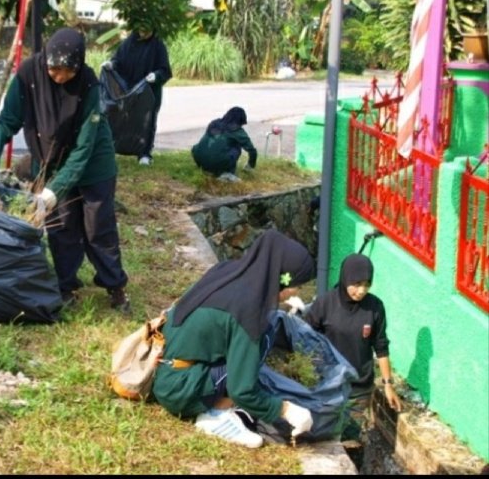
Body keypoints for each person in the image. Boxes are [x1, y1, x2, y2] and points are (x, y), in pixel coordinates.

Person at [0, 28, 130, 313]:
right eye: (54, 70)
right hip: (52, 160)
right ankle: (65, 286)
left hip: (93, 163)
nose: (59, 77)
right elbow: (6, 122)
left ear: (78, 66)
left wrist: (54, 189)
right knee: (62, 225)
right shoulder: (29, 75)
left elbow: (83, 149)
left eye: (67, 71)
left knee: (97, 227)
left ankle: (114, 285)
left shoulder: (89, 84)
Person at [152, 229, 317, 448]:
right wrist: (286, 410)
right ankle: (215, 414)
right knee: (262, 339)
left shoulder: (230, 270)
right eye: (297, 285)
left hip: (165, 364)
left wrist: (279, 300)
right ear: (281, 277)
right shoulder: (249, 312)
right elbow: (243, 391)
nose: (297, 292)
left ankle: (216, 398)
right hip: (180, 388)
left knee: (266, 327)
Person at [304, 253, 402, 443]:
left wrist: (388, 385)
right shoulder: (325, 304)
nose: (361, 290)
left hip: (359, 388)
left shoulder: (375, 307)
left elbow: (381, 346)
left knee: (351, 440)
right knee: (322, 438)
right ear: (345, 278)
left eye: (367, 284)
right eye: (356, 284)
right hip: (328, 385)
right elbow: (306, 340)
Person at [104, 28, 172, 166]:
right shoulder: (129, 43)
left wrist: (156, 75)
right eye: (141, 30)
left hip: (149, 91)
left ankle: (144, 153)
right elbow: (118, 61)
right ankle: (114, 147)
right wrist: (111, 65)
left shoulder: (158, 45)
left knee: (147, 121)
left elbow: (165, 69)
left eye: (146, 30)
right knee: (122, 119)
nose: (143, 32)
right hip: (130, 89)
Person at [191, 106, 257, 183]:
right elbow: (252, 150)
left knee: (200, 145)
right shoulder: (237, 131)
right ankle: (226, 173)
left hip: (199, 158)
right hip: (217, 162)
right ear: (241, 120)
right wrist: (250, 165)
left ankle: (206, 167)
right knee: (236, 146)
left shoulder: (214, 123)